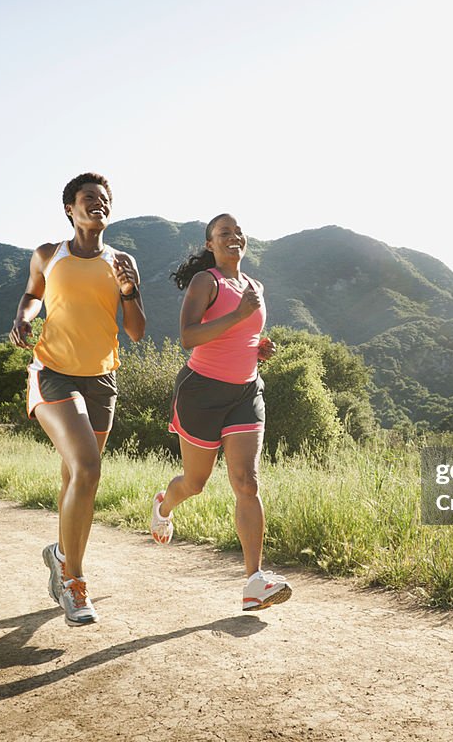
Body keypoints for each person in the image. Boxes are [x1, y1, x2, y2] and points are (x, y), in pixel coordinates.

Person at [9, 172, 146, 626]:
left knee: (76, 479)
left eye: (104, 199)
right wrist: (24, 318)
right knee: (88, 468)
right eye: (89, 198)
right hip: (54, 372)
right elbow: (33, 294)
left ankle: (59, 555)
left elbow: (136, 331)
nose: (98, 204)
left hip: (101, 378)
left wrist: (131, 291)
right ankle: (74, 581)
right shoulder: (49, 254)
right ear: (71, 208)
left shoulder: (122, 261)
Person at [152, 213, 290, 611]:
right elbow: (188, 336)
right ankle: (164, 505)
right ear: (210, 244)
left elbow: (242, 334)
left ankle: (254, 581)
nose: (234, 237)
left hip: (246, 391)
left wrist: (259, 347)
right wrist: (239, 315)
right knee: (195, 483)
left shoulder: (254, 286)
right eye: (223, 233)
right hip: (201, 392)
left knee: (247, 482)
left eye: (238, 231)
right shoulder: (205, 281)